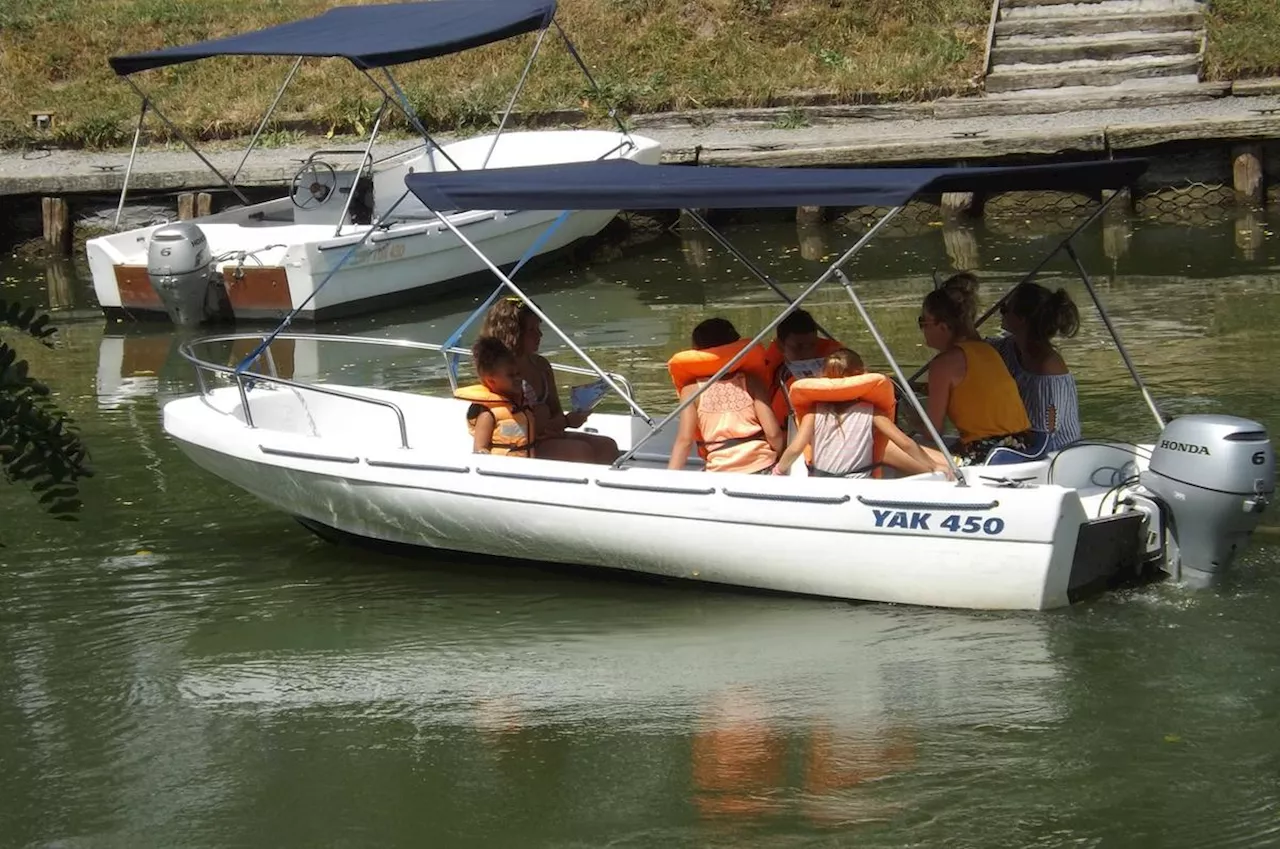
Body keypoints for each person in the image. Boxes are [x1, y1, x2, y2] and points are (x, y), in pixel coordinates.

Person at [480, 297, 618, 464]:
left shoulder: (541, 366)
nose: (540, 334)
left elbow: (555, 412)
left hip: (547, 436)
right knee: (580, 451)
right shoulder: (503, 375)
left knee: (607, 446)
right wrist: (564, 422)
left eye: (539, 327)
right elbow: (513, 424)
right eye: (531, 330)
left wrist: (565, 421)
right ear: (513, 333)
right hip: (521, 445)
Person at [771, 348, 947, 478]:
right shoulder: (872, 413)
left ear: (824, 378)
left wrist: (778, 471)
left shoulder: (813, 412)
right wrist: (933, 467)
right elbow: (906, 444)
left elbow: (795, 449)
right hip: (860, 487)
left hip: (822, 485)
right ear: (862, 375)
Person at [917, 272, 1032, 465]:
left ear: (943, 327)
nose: (921, 328)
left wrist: (910, 416)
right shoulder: (988, 350)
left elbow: (932, 432)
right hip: (1020, 448)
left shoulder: (942, 364)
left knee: (894, 446)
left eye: (923, 322)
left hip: (985, 455)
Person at [667, 318, 785, 473]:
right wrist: (782, 459)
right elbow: (773, 433)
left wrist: (669, 478)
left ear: (696, 350)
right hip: (762, 465)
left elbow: (685, 441)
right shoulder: (752, 382)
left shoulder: (691, 390)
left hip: (721, 469)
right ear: (736, 345)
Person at [986, 282, 1082, 452]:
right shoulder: (1008, 347)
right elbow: (974, 347)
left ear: (1022, 319)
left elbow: (1044, 437)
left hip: (1055, 455)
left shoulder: (1048, 367)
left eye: (1005, 309)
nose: (1001, 313)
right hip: (1021, 442)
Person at [456, 336, 536, 457]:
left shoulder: (522, 404)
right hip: (504, 472)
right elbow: (480, 449)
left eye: (518, 373)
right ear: (491, 381)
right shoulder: (488, 414)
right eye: (511, 375)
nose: (518, 378)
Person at [765, 308, 844, 428]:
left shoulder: (836, 365)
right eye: (798, 347)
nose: (807, 353)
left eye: (812, 345)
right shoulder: (773, 374)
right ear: (780, 346)